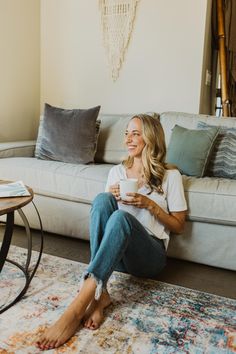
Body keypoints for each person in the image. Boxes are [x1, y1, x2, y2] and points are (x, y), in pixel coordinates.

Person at [36, 113, 187, 350]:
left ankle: (76, 308)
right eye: (127, 132)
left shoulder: (170, 176)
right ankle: (100, 294)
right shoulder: (116, 172)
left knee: (120, 218)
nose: (128, 138)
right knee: (102, 199)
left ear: (151, 138)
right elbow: (106, 220)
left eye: (135, 133)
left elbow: (179, 225)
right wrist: (113, 198)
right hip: (117, 258)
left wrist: (150, 205)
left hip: (149, 258)